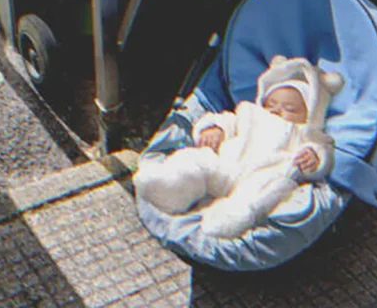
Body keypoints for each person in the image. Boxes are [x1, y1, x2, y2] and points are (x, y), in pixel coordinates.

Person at [133, 55, 344, 238]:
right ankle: (173, 186)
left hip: (262, 174)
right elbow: (227, 120)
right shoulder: (250, 112)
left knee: (263, 191)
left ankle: (231, 217)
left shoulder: (305, 134)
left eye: (289, 108)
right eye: (271, 104)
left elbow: (323, 152)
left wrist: (314, 158)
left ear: (309, 114)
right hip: (227, 163)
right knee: (196, 159)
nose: (277, 110)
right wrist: (214, 129)